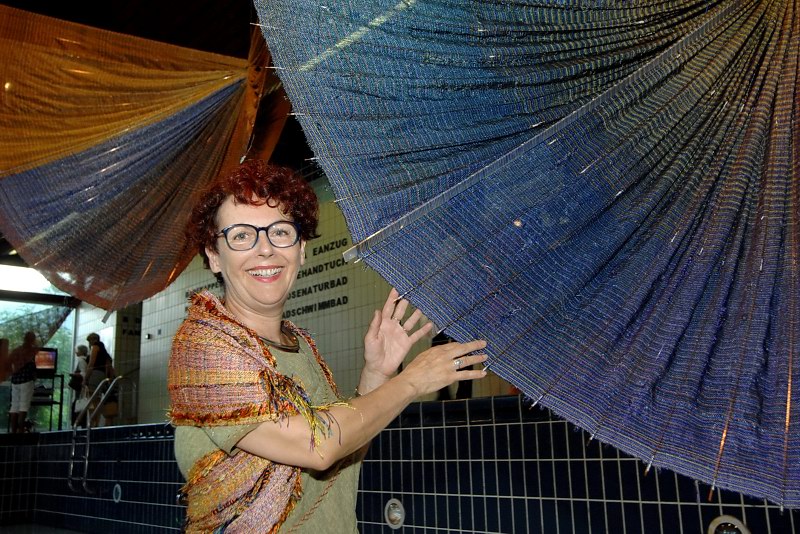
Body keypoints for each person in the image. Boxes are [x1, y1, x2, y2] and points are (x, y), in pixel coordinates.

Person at [168, 160, 487, 532]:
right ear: (214, 255)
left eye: (280, 232)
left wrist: (377, 374)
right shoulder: (203, 347)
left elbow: (343, 447)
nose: (265, 249)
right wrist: (412, 381)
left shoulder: (299, 344)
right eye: (241, 236)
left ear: (301, 248)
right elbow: (317, 447)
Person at [9, 331, 38, 434]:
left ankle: (13, 433)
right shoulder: (31, 350)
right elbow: (32, 367)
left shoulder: (17, 350)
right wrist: (34, 377)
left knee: (14, 407)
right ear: (32, 340)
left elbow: (10, 363)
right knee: (23, 407)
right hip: (26, 380)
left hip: (15, 380)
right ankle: (21, 433)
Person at [84, 333, 115, 426]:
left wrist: (85, 378)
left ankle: (93, 423)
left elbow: (91, 363)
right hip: (102, 376)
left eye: (90, 341)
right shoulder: (104, 351)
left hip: (95, 375)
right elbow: (109, 367)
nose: (90, 343)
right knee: (97, 400)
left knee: (92, 400)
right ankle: (95, 423)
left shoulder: (95, 347)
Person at [69, 345, 89, 426]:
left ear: (81, 351)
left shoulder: (81, 360)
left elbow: (83, 373)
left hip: (80, 386)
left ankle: (76, 423)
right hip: (83, 387)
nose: (76, 352)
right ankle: (82, 423)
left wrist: (74, 375)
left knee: (77, 404)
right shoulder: (86, 360)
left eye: (77, 350)